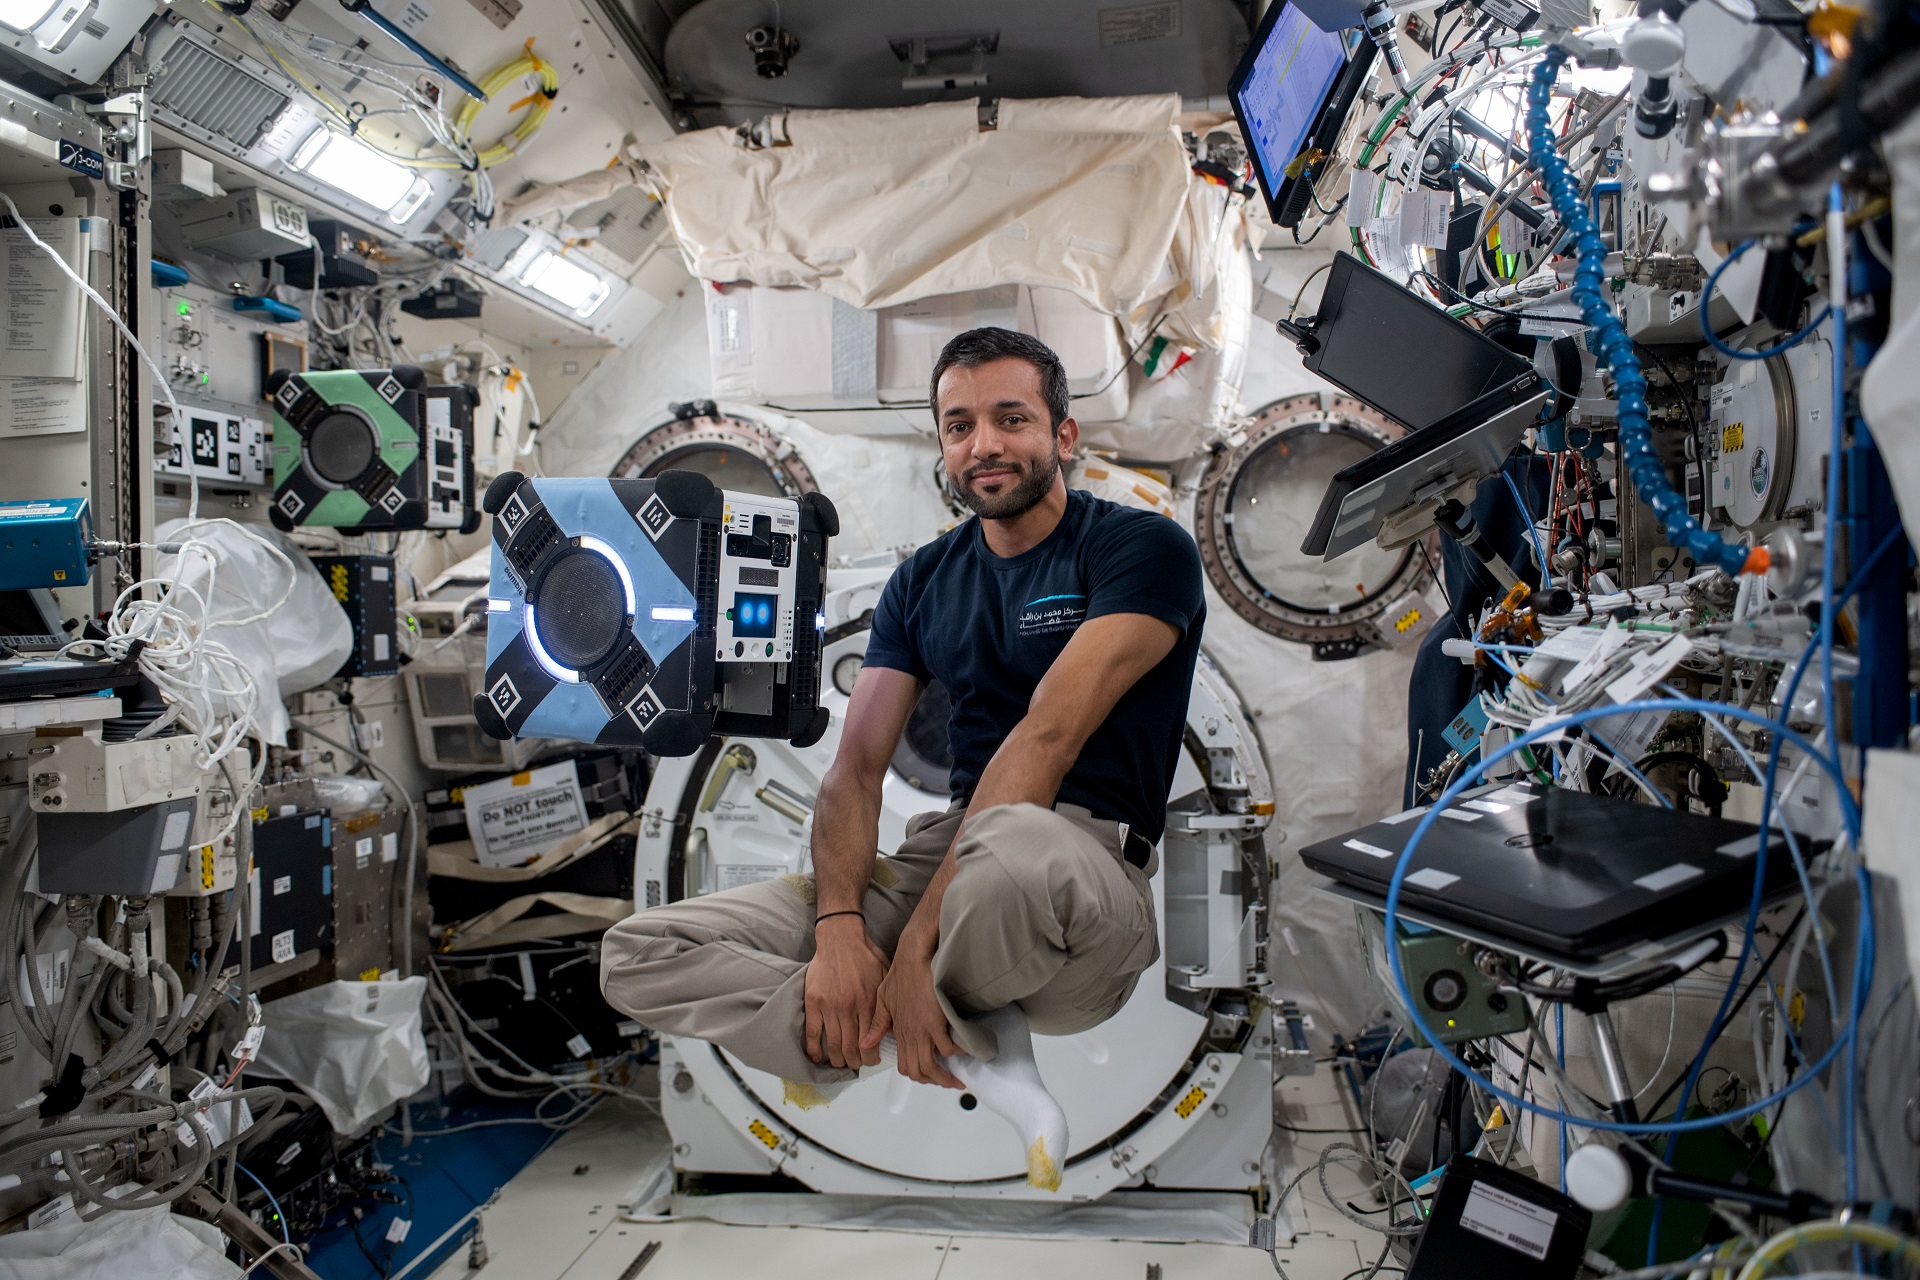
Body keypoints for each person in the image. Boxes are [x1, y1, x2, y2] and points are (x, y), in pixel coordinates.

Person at [600, 327, 1206, 1190]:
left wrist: (915, 950)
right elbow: (853, 771)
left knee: (1013, 845)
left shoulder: (1141, 551)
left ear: (1063, 436)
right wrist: (841, 933)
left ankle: (856, 1037)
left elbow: (1047, 738)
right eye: (959, 425)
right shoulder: (922, 583)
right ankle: (935, 1046)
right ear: (943, 445)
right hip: (956, 856)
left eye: (1010, 419)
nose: (984, 445)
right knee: (637, 953)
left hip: (1083, 886)